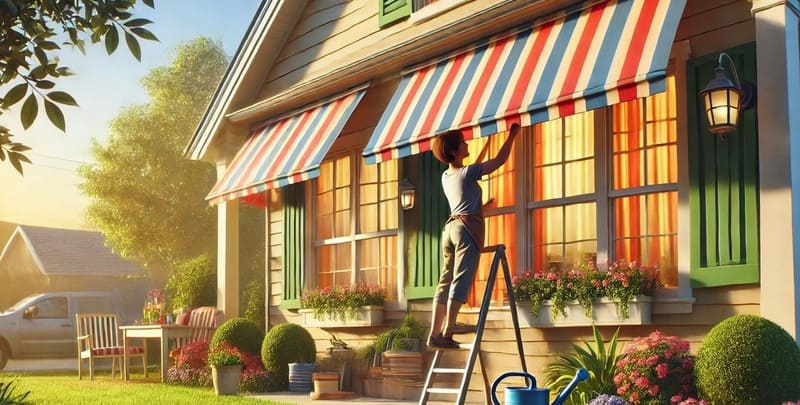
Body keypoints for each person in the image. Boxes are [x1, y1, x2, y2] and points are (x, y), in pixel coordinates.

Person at [427, 123, 520, 349]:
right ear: (454, 151)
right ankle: (449, 330)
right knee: (461, 279)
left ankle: (435, 333)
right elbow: (498, 161)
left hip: (450, 229)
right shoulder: (467, 173)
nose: (466, 143)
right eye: (462, 142)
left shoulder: (446, 176)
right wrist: (512, 136)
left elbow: (463, 204)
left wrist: (483, 207)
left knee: (445, 281)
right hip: (466, 231)